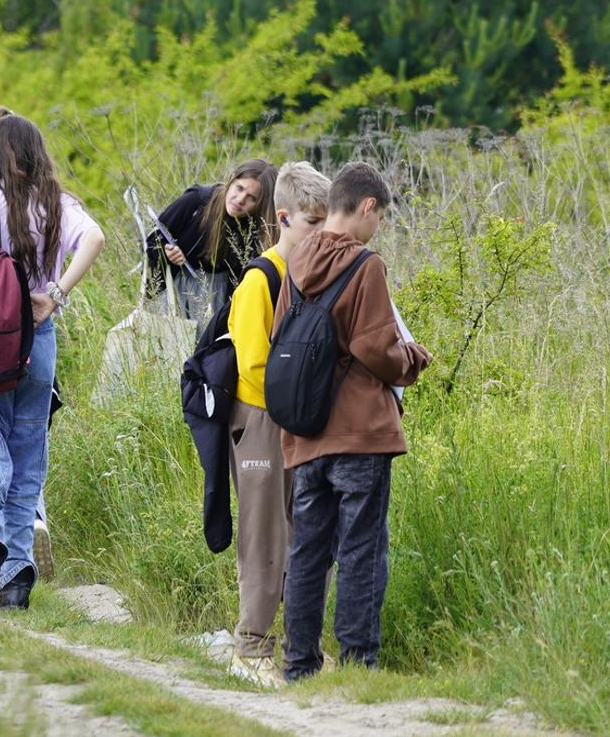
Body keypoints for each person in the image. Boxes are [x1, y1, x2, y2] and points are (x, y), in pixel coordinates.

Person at [0, 108, 105, 613]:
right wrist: (56, 293)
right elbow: (94, 239)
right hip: (37, 336)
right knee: (28, 450)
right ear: (37, 153)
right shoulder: (56, 202)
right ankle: (17, 576)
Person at [278, 162, 433, 681]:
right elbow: (374, 347)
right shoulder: (366, 265)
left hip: (305, 432)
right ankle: (357, 666)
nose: (378, 228)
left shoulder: (297, 260)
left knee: (308, 553)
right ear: (367, 206)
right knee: (362, 550)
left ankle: (299, 666)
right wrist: (412, 359)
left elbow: (283, 335)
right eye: (381, 217)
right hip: (360, 433)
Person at [222, 161, 331, 688]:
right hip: (261, 419)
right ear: (283, 218)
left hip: (301, 419)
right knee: (264, 531)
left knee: (306, 531)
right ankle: (249, 648)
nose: (322, 233)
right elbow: (254, 365)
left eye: (326, 222)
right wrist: (302, 403)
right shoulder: (259, 279)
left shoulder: (313, 275)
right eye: (313, 222)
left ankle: (299, 649)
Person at [150, 160, 279, 320]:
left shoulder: (257, 230)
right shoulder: (197, 201)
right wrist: (166, 252)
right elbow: (153, 240)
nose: (240, 199)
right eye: (239, 188)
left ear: (261, 204)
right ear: (231, 180)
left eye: (251, 197)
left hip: (217, 305)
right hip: (172, 295)